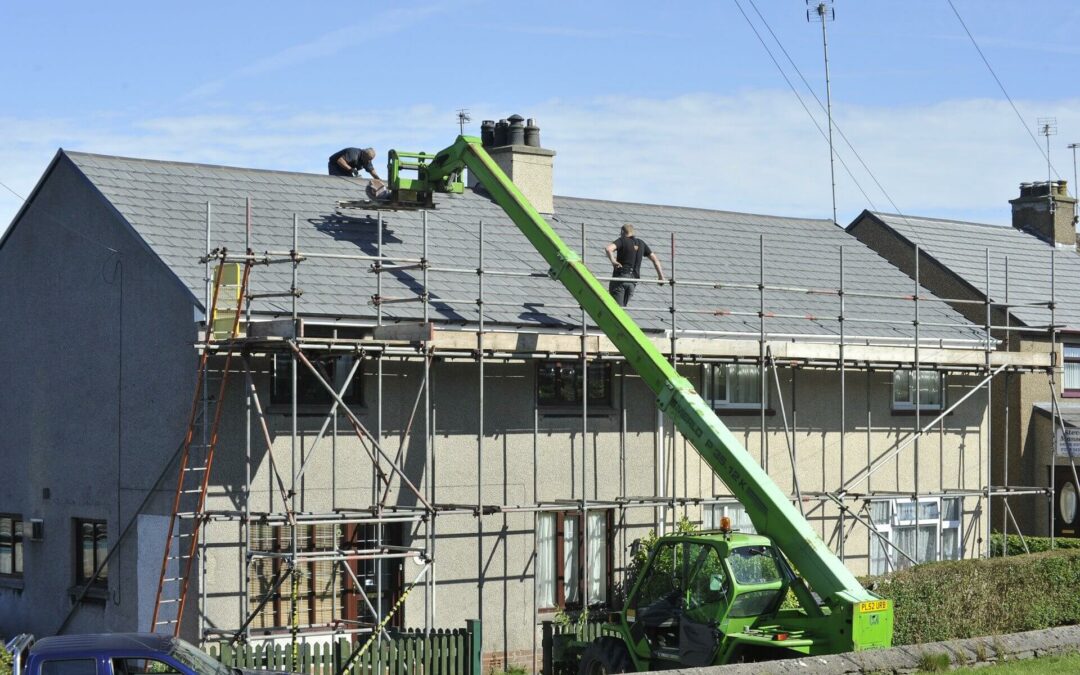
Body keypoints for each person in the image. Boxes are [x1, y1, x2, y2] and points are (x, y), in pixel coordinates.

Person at [604, 224, 665, 307]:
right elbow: (655, 260)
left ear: (622, 231)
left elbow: (608, 249)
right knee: (622, 309)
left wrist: (613, 261)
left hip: (620, 278)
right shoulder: (641, 243)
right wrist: (661, 277)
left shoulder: (622, 240)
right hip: (633, 282)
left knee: (616, 310)